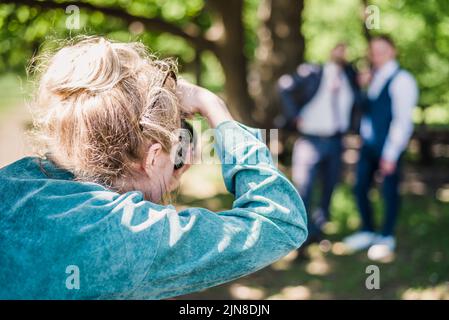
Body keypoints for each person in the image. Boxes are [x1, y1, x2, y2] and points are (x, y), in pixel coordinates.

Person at [0, 37, 307, 299]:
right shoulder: (125, 231)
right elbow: (281, 222)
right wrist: (214, 107)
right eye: (176, 153)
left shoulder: (12, 181)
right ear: (151, 156)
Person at [343, 35, 419, 261]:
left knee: (388, 191)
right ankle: (368, 230)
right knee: (359, 188)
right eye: (373, 51)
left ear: (393, 51)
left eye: (381, 50)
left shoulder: (402, 79)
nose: (376, 55)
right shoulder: (373, 78)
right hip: (368, 146)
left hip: (388, 148)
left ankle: (386, 237)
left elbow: (402, 120)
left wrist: (391, 153)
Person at [278, 43, 360, 241]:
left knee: (329, 188)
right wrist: (294, 116)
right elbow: (283, 87)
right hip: (310, 139)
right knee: (304, 188)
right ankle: (300, 235)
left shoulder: (350, 78)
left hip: (336, 141)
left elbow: (358, 105)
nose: (342, 52)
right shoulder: (313, 72)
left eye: (346, 49)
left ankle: (317, 231)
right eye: (338, 48)